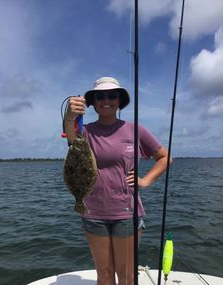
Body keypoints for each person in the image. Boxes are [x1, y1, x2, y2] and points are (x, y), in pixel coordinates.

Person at [64, 77, 170, 285]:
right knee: (103, 274)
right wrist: (69, 117)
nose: (106, 100)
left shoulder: (135, 130)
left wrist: (145, 181)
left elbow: (165, 157)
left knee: (127, 276)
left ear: (119, 100)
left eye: (112, 95)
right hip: (93, 212)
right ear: (93, 101)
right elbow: (71, 136)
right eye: (100, 96)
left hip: (127, 213)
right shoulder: (86, 132)